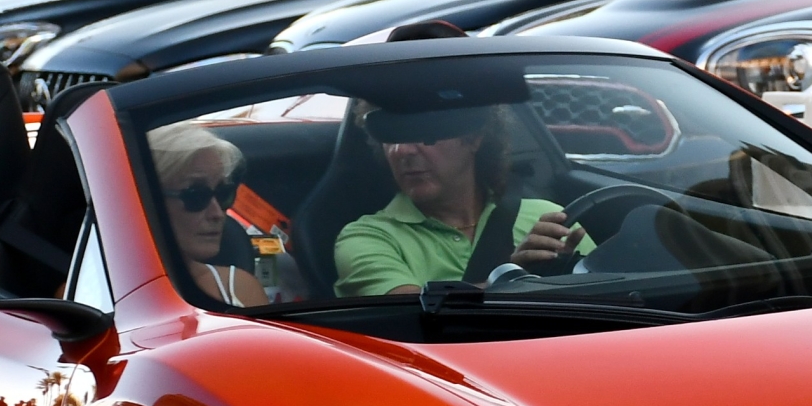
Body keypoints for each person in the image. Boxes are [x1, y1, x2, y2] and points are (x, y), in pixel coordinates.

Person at [333, 103, 590, 296]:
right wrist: (510, 278)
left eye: (425, 132)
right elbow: (411, 317)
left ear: (474, 138)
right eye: (391, 137)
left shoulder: (548, 217)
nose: (402, 151)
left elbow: (619, 289)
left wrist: (570, 276)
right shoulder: (366, 239)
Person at [146, 124, 269, 306]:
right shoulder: (98, 292)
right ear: (147, 199)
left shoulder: (240, 290)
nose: (217, 214)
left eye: (223, 193)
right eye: (196, 195)